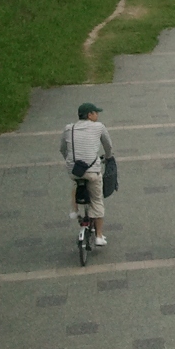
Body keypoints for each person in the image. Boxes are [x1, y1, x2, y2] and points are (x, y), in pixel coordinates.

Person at [60, 102, 113, 246]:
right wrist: (108, 157)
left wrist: (71, 162)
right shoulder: (99, 127)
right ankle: (99, 236)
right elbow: (108, 145)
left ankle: (75, 210)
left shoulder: (69, 128)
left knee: (76, 183)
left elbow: (62, 149)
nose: (98, 115)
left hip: (74, 170)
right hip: (92, 171)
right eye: (96, 112)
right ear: (90, 115)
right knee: (97, 200)